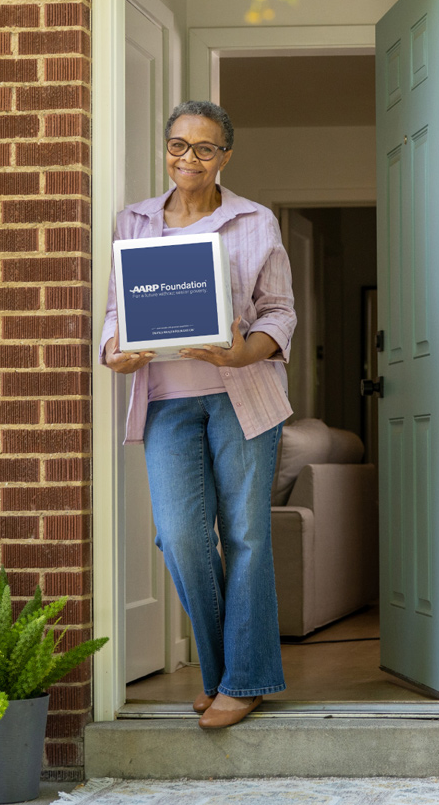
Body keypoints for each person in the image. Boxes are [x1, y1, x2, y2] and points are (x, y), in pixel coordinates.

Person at [99, 100, 296, 729]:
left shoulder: (255, 221)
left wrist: (241, 354)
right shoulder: (132, 221)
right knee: (182, 539)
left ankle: (245, 680)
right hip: (166, 402)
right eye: (178, 145)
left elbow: (281, 313)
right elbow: (115, 313)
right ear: (166, 149)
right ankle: (222, 673)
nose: (189, 157)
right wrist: (114, 352)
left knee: (245, 536)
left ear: (225, 156)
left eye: (205, 148)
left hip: (244, 394)